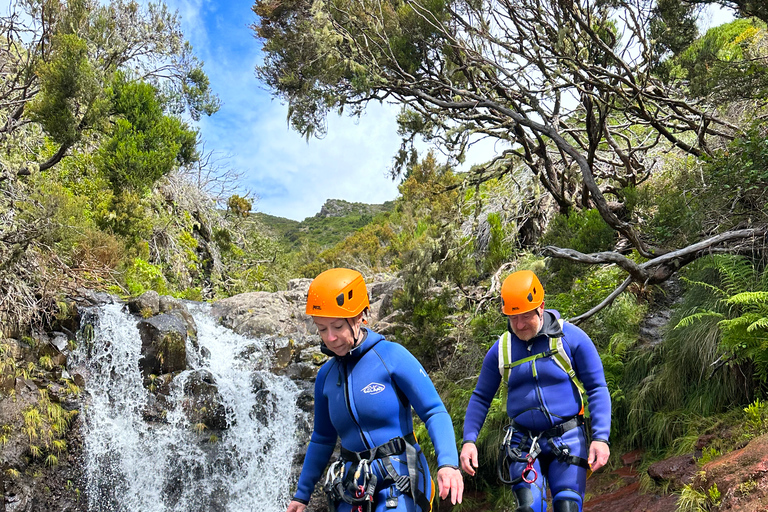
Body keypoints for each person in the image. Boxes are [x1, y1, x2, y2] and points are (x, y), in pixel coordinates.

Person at [287, 268, 463, 512]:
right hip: (353, 482)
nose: (330, 338)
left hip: (400, 474)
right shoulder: (325, 377)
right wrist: (301, 495)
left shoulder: (392, 356)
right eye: (321, 328)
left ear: (360, 317)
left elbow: (434, 411)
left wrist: (448, 464)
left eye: (337, 326)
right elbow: (322, 439)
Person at [460, 270, 611, 512]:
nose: (519, 325)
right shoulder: (501, 350)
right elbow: (480, 398)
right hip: (522, 444)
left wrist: (601, 438)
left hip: (567, 439)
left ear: (541, 307)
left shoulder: (570, 338)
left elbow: (597, 387)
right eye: (512, 318)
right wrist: (469, 441)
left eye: (524, 316)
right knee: (528, 509)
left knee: (567, 506)